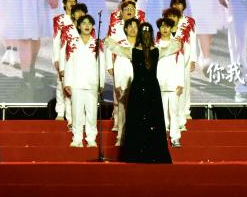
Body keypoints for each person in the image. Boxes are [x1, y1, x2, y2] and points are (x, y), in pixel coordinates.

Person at [107, 22, 173, 164]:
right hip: (138, 90)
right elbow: (117, 49)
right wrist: (109, 42)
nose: (146, 35)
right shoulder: (133, 51)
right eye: (144, 33)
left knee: (153, 120)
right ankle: (136, 154)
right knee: (137, 119)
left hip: (152, 90)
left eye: (148, 33)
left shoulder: (157, 51)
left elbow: (174, 47)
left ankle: (153, 154)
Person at [63, 14, 107, 147]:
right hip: (76, 82)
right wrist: (67, 82)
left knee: (92, 113)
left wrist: (101, 83)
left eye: (89, 23)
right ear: (79, 26)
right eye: (84, 23)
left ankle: (91, 138)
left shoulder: (97, 43)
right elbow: (68, 63)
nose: (87, 26)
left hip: (92, 83)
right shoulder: (72, 42)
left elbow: (101, 64)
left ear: (93, 26)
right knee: (77, 112)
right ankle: (77, 138)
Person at [105, 17, 138, 146]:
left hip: (138, 84)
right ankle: (120, 137)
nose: (133, 29)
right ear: (125, 29)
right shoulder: (120, 45)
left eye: (135, 26)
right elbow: (118, 65)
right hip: (124, 83)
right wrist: (118, 84)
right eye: (130, 26)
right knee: (122, 110)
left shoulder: (142, 45)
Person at [155, 16, 185, 147]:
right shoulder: (155, 45)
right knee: (160, 112)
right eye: (162, 26)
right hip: (159, 83)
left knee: (174, 111)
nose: (164, 29)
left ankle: (175, 137)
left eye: (167, 26)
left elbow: (180, 64)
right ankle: (161, 137)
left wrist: (180, 83)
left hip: (173, 83)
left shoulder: (177, 44)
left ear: (171, 28)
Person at [167, 0, 198, 126]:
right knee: (172, 86)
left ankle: (186, 111)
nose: (177, 6)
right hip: (170, 59)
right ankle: (172, 112)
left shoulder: (189, 22)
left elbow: (193, 41)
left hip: (185, 58)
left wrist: (193, 59)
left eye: (179, 4)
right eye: (174, 4)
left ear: (183, 6)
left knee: (185, 85)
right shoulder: (167, 21)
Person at [51, 0, 78, 121]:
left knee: (75, 85)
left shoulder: (80, 19)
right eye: (69, 1)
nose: (72, 3)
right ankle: (60, 112)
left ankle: (73, 113)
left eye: (74, 1)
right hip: (63, 57)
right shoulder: (59, 19)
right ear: (64, 4)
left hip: (76, 57)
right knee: (61, 84)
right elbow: (56, 40)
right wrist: (56, 59)